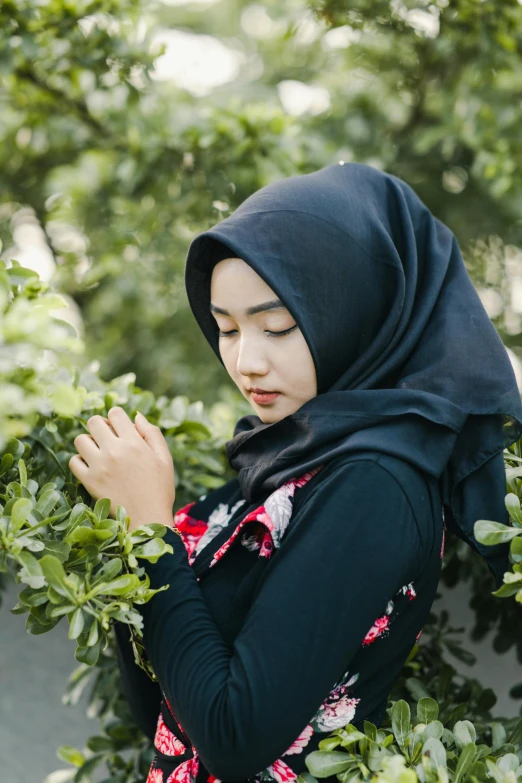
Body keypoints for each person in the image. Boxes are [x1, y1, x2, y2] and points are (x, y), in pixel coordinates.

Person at [114, 162, 522, 783]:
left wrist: (152, 532)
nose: (246, 361)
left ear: (351, 309)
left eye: (276, 326)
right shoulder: (277, 465)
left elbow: (232, 740)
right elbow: (172, 719)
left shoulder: (376, 481)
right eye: (226, 328)